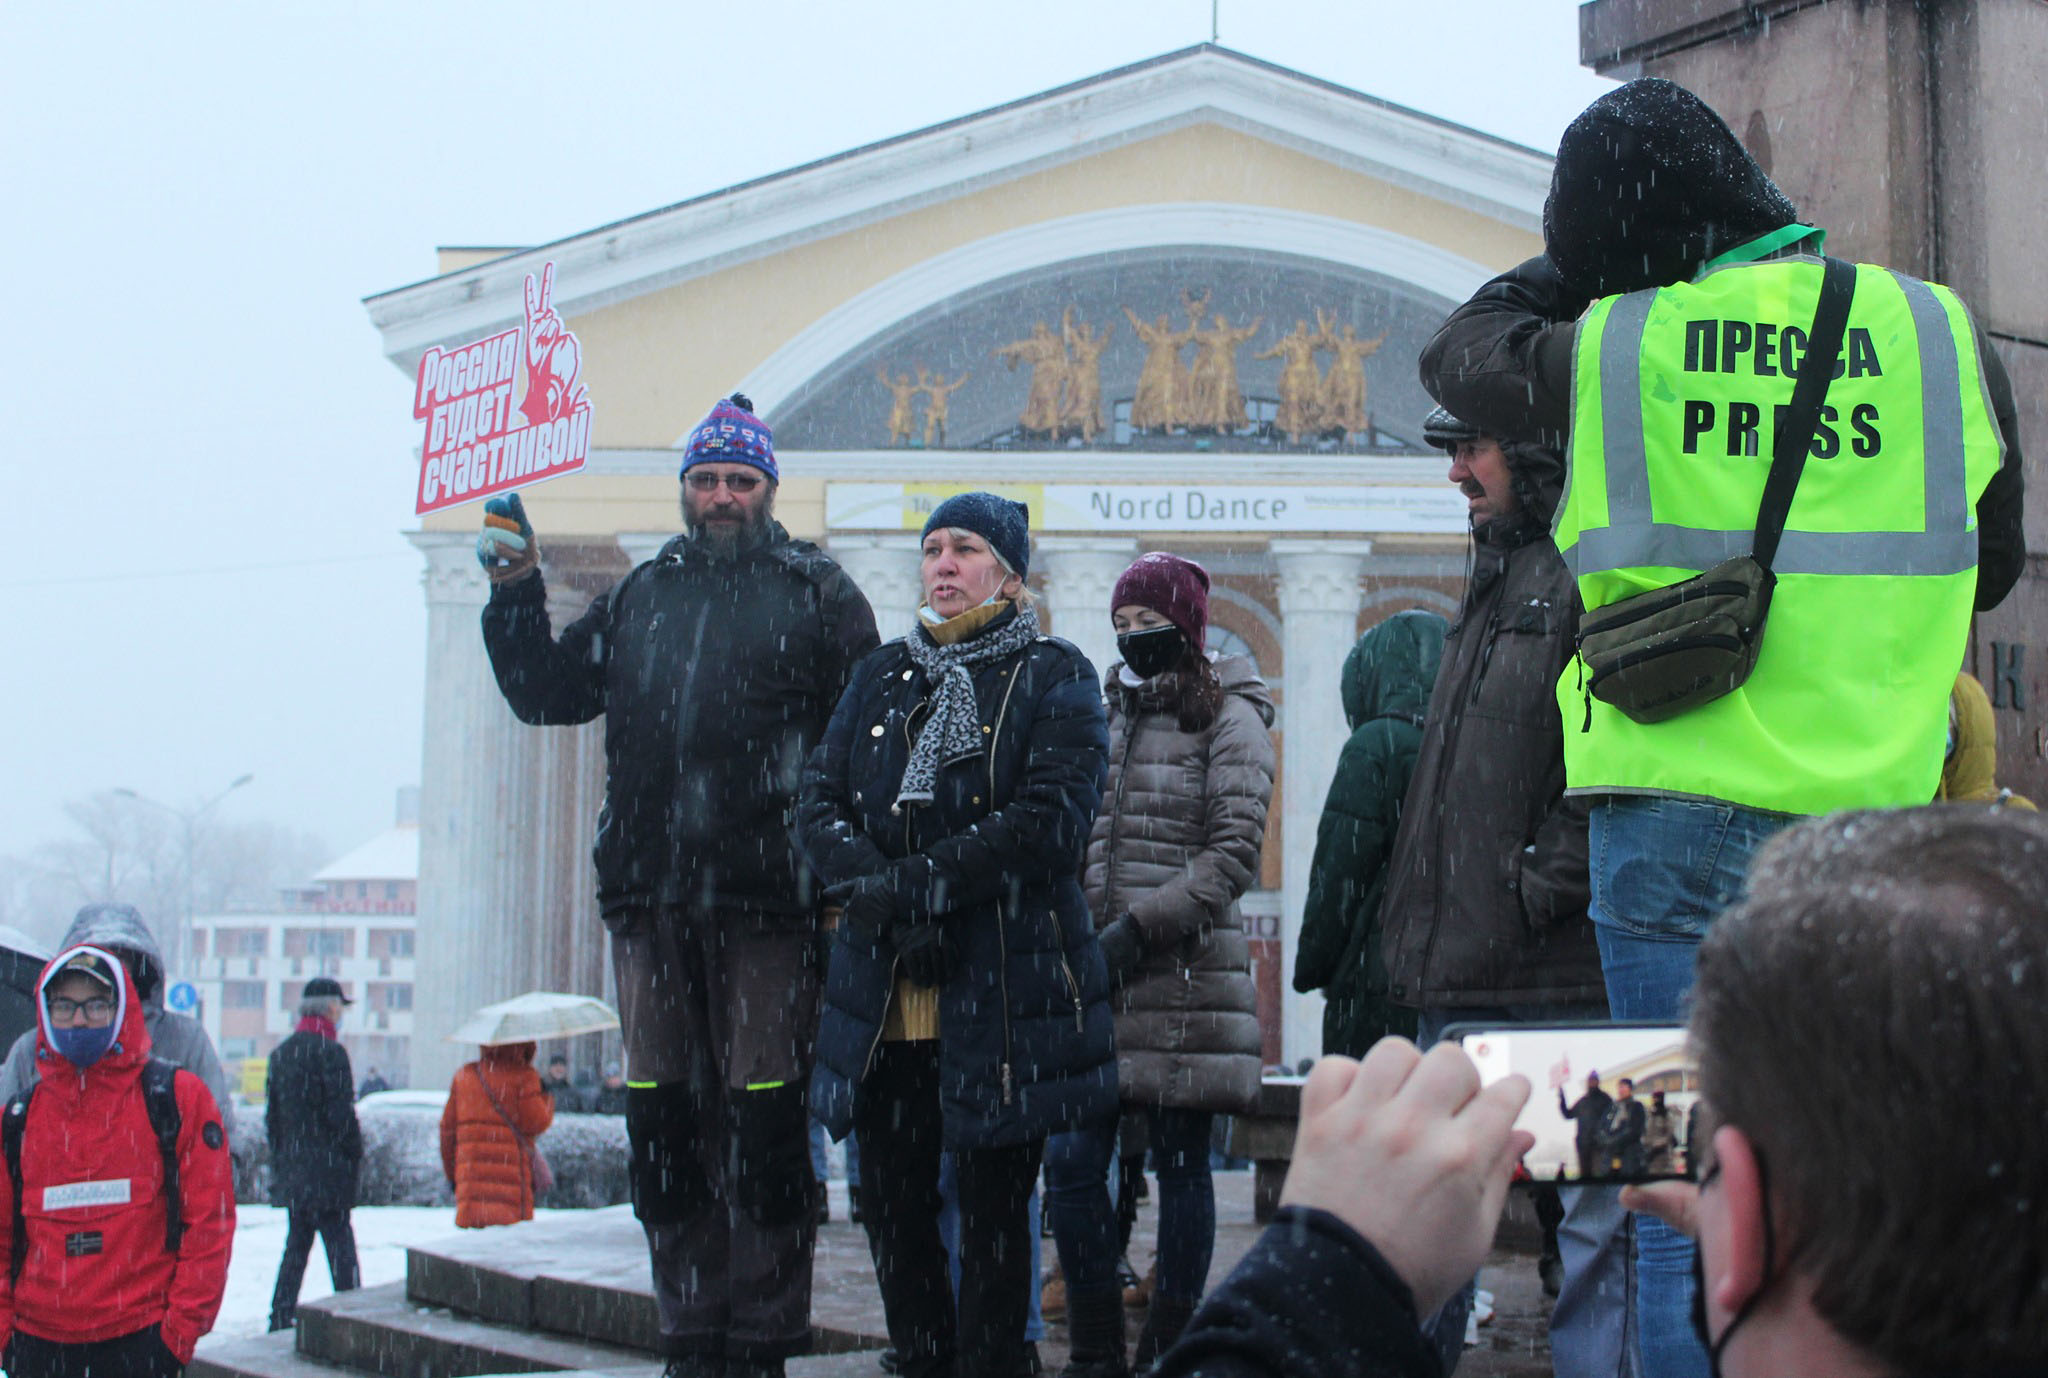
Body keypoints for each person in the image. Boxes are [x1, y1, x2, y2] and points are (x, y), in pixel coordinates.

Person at [1419, 76, 2025, 1377]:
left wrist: (1591, 261)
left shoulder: (1613, 345)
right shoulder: (1935, 330)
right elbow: (1999, 565)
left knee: (1675, 1188)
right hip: (1882, 826)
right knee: (1871, 1166)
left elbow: (1460, 346)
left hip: (1671, 826)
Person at [480, 395, 879, 1378]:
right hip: (649, 903)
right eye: (706, 480)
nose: (721, 497)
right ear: (686, 490)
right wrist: (515, 586)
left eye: (739, 481)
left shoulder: (818, 593)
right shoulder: (640, 595)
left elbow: (865, 742)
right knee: (662, 1118)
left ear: (767, 490)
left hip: (768, 907)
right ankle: (688, 1331)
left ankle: (763, 1334)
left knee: (764, 1115)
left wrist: (837, 875)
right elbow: (547, 693)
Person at [801, 492, 1116, 1378]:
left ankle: (992, 1362)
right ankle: (924, 1358)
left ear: (1009, 573)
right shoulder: (880, 674)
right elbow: (818, 800)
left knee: (992, 1213)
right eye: (933, 548)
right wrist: (879, 894)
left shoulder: (1056, 674)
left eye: (966, 548)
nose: (943, 563)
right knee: (894, 1210)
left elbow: (1049, 823)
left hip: (1004, 995)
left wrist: (914, 886)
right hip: (886, 999)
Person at [1373, 403, 1612, 1376]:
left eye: (1470, 449)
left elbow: (1610, 762)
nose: (1455, 472)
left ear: (1534, 452)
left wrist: (1532, 885)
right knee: (1431, 1213)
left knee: (1603, 1225)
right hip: (1464, 963)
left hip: (1549, 967)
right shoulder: (1501, 575)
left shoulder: (1584, 574)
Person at [1046, 552, 1275, 1376]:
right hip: (1099, 977)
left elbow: (1230, 856)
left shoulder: (1231, 719)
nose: (1135, 640)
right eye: (1123, 628)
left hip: (1183, 976)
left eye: (1150, 624)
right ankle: (1098, 1351)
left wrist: (1136, 932)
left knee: (1183, 1166)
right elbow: (1083, 838)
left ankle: (1168, 1350)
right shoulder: (1109, 716)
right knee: (1072, 1165)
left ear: (1189, 628)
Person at [0, 945, 235, 1376]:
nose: (80, 1019)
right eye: (65, 1005)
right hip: (36, 1346)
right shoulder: (17, 1117)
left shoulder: (175, 1099)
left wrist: (176, 1336)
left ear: (122, 1008)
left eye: (96, 1004)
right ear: (45, 1012)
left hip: (141, 1341)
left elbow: (209, 1226)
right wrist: (6, 1340)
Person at [1291, 610, 1447, 1056]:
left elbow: (1341, 868)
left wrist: (1316, 964)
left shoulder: (1378, 744)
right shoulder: (1473, 740)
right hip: (1462, 976)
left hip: (1381, 971)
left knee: (1372, 1110)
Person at [0, 905, 237, 1142]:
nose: (106, 970)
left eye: (119, 959)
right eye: (94, 958)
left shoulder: (183, 1039)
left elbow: (217, 1135)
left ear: (138, 964)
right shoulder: (32, 1049)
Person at [265, 976, 362, 1331]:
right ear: (330, 1008)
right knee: (341, 1251)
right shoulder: (332, 1053)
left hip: (296, 1173)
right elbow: (341, 1116)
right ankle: (354, 1316)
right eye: (340, 1007)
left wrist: (285, 1162)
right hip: (330, 1174)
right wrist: (353, 1152)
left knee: (296, 1248)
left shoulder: (282, 1053)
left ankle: (280, 1315)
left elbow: (272, 1121)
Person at [440, 1039, 554, 1228]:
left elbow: (447, 1132)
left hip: (472, 1188)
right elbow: (537, 1122)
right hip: (512, 1191)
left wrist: (453, 1176)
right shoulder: (524, 1076)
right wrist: (547, 1099)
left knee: (475, 1252)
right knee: (508, 1250)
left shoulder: (465, 1076)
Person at [1557, 1072, 1611, 1181]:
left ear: (1598, 1082)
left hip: (1599, 1144)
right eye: (1590, 1081)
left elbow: (1612, 1117)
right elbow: (1568, 1114)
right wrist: (1562, 1099)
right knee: (1585, 1177)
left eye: (1594, 1080)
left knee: (1598, 1176)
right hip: (1583, 1144)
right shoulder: (1583, 1101)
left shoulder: (1605, 1099)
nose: (1591, 1083)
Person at [1600, 1079, 1646, 1178]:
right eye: (1619, 1087)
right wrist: (1605, 1140)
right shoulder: (1612, 1107)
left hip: (1629, 1154)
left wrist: (1616, 1140)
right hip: (1610, 1155)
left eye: (1624, 1087)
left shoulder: (1636, 1107)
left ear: (1630, 1089)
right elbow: (1602, 1126)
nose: (1621, 1090)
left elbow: (1635, 1130)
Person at [1641, 1091, 1677, 1176]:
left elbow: (1669, 1135)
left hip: (1663, 1155)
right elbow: (1644, 1132)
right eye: (1654, 1098)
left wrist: (1656, 1145)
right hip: (1649, 1154)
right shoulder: (1649, 1115)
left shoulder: (1667, 1115)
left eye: (1657, 1098)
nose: (1655, 1101)